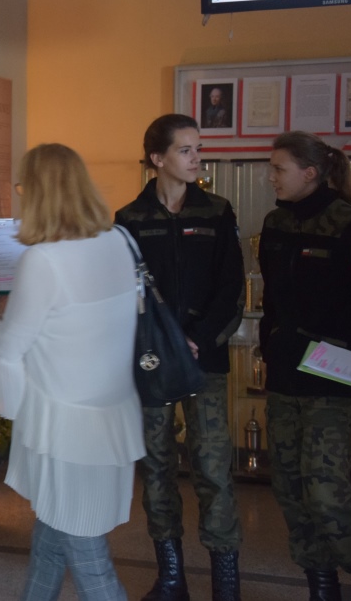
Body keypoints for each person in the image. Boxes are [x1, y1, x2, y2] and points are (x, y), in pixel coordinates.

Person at [0, 143, 145, 600]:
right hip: (111, 417)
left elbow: (10, 350)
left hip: (66, 430)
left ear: (37, 193)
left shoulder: (44, 260)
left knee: (91, 562)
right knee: (51, 541)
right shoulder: (118, 241)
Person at [114, 113, 245, 601]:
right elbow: (123, 295)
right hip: (153, 365)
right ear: (158, 158)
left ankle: (225, 582)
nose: (196, 158)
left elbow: (232, 289)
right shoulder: (130, 219)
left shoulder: (217, 212)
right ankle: (171, 577)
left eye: (198, 148)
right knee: (157, 467)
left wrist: (199, 340)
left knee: (213, 468)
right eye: (185, 150)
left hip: (204, 360)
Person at [259, 131, 351, 600]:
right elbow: (272, 301)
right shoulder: (275, 223)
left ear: (310, 173)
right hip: (286, 375)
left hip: (336, 378)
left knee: (325, 489)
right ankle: (321, 584)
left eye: (279, 169)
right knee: (290, 487)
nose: (271, 177)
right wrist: (269, 349)